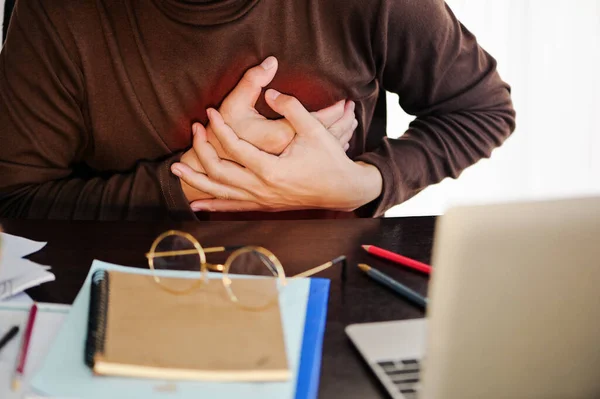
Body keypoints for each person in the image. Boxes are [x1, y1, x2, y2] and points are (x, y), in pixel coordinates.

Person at [0, 0, 515, 221]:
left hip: (327, 295)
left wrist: (361, 184)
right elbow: (14, 199)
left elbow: (482, 109)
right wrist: (193, 184)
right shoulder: (59, 15)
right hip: (125, 290)